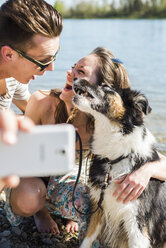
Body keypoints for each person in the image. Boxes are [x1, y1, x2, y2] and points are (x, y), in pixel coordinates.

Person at [6, 47, 166, 243]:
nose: (70, 73)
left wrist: (145, 172)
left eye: (80, 72)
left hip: (75, 179)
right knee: (28, 198)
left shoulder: (103, 123)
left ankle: (70, 215)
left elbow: (159, 161)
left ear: (101, 89)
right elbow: (19, 159)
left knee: (88, 201)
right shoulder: (42, 102)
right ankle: (42, 212)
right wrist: (46, 145)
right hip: (38, 176)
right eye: (73, 68)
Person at [0, 0, 63, 190]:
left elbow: (33, 110)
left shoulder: (12, 77)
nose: (51, 68)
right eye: (43, 61)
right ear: (9, 55)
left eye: (55, 56)